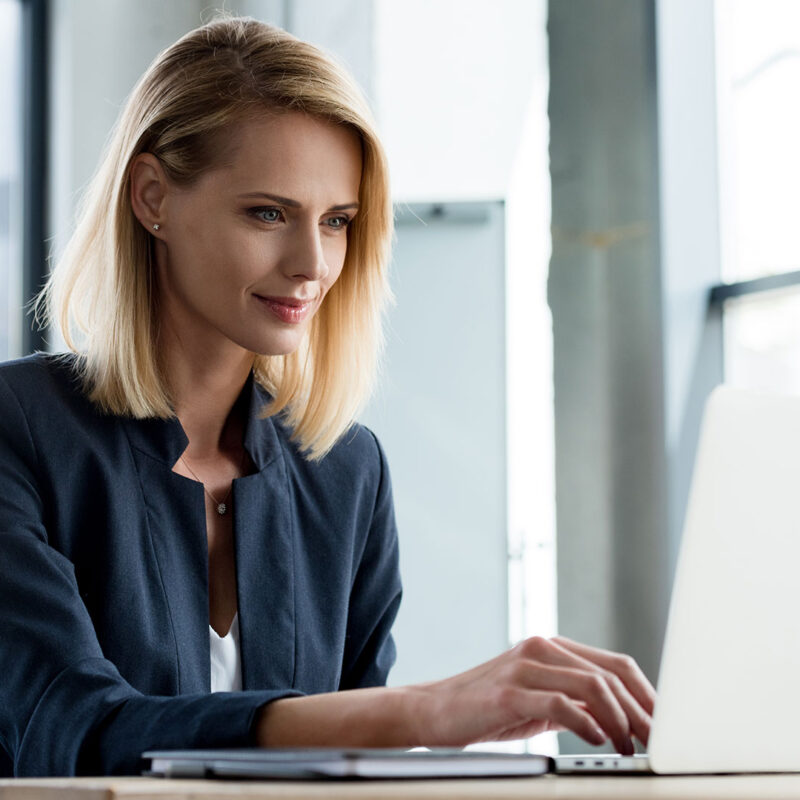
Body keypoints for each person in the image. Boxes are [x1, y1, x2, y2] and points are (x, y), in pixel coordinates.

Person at [0, 16, 655, 777]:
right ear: (152, 197)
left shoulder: (346, 473)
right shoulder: (21, 429)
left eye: (338, 221)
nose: (312, 262)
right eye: (268, 213)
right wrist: (428, 710)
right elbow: (71, 729)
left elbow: (348, 777)